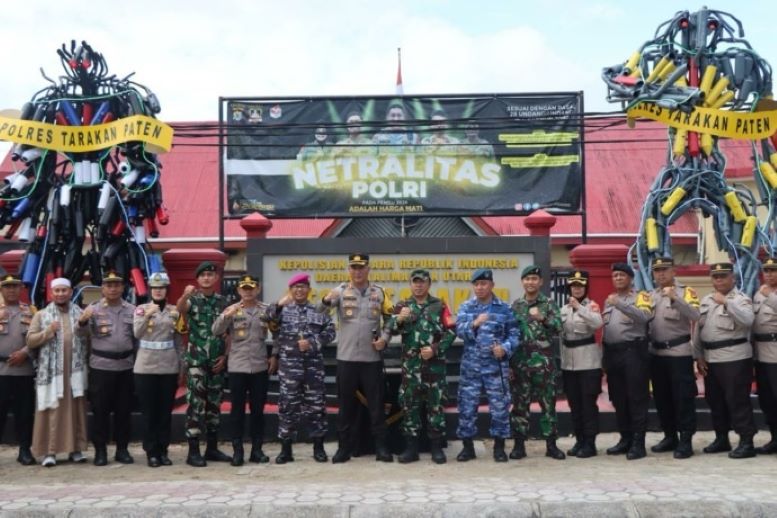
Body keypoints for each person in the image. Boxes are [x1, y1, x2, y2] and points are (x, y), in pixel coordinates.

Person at [321, 253, 394, 464]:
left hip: (372, 359)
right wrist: (327, 299)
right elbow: (319, 315)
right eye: (353, 267)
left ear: (368, 269)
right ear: (348, 270)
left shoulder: (379, 293)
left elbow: (391, 319)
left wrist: (385, 338)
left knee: (376, 405)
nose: (357, 271)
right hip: (347, 358)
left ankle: (381, 447)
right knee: (346, 406)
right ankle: (344, 448)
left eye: (361, 267)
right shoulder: (340, 292)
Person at [266, 273, 336, 464]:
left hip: (313, 369)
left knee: (317, 408)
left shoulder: (318, 311)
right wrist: (279, 304)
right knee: (288, 408)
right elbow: (268, 318)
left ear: (309, 290)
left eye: (303, 287)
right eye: (296, 287)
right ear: (291, 290)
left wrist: (313, 343)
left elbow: (330, 333)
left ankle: (319, 448)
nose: (299, 290)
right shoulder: (282, 311)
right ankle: (286, 449)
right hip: (289, 369)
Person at [389, 269, 456, 464]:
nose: (418, 285)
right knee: (410, 408)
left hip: (434, 369)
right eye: (415, 282)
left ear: (429, 284)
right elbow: (390, 329)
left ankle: (436, 448)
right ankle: (412, 449)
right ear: (410, 284)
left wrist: (435, 349)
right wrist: (400, 318)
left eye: (422, 282)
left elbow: (451, 332)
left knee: (436, 407)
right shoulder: (402, 306)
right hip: (411, 369)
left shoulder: (439, 305)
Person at [212, 274, 277, 466]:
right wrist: (226, 316)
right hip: (237, 367)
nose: (248, 291)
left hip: (259, 366)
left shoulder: (266, 311)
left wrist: (275, 354)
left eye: (251, 288)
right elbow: (215, 330)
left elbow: (278, 333)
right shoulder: (232, 309)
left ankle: (257, 450)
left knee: (258, 410)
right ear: (239, 290)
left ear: (257, 289)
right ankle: (237, 450)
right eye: (244, 288)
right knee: (236, 411)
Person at [455, 268, 519, 462]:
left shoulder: (504, 308)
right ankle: (467, 447)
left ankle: (499, 447)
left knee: (499, 408)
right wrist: (474, 323)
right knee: (467, 407)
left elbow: (514, 335)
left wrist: (505, 348)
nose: (480, 287)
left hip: (495, 368)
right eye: (476, 284)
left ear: (492, 285)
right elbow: (459, 331)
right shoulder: (466, 307)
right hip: (471, 368)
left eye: (484, 284)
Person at [694, 262, 757, 459]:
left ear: (733, 278)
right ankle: (722, 438)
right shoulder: (706, 300)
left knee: (737, 401)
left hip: (735, 357)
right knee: (715, 401)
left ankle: (746, 441)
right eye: (715, 277)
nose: (719, 280)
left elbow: (747, 320)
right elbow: (698, 329)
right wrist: (699, 355)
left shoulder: (741, 299)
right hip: (711, 359)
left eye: (723, 276)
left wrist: (726, 303)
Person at [26, 278, 88, 467]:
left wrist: (84, 324)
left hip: (74, 372)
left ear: (70, 292)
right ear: (52, 294)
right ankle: (49, 452)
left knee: (76, 410)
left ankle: (76, 449)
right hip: (52, 374)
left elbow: (88, 337)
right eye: (57, 291)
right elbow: (30, 341)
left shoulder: (80, 313)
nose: (61, 294)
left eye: (64, 290)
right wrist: (47, 332)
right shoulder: (42, 315)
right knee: (51, 411)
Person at [77, 270, 137, 466]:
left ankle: (122, 449)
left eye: (116, 285)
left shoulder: (132, 310)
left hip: (126, 366)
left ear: (122, 287)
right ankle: (100, 451)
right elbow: (80, 334)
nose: (113, 288)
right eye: (109, 285)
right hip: (101, 367)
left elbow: (137, 338)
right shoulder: (92, 310)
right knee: (100, 411)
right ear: (102, 288)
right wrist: (82, 321)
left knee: (124, 411)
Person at [176, 260, 231, 467]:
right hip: (197, 362)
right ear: (198, 279)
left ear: (216, 278)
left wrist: (225, 356)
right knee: (195, 406)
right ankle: (193, 451)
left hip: (216, 361)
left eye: (210, 275)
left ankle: (212, 448)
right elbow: (181, 308)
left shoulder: (222, 302)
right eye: (203, 275)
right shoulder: (193, 300)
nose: (207, 278)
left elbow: (228, 333)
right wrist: (185, 294)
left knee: (214, 406)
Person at [509, 265, 565, 460]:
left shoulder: (549, 304)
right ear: (522, 282)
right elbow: (510, 334)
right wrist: (509, 364)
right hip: (520, 364)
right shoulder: (516, 305)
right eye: (527, 279)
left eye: (534, 279)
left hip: (544, 364)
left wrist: (543, 319)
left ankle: (551, 445)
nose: (530, 282)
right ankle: (518, 445)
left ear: (540, 282)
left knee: (548, 405)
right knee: (519, 405)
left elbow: (559, 328)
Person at [648, 257, 701, 459]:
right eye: (657, 270)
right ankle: (670, 436)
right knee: (662, 398)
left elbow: (696, 315)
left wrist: (675, 299)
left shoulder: (686, 292)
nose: (660, 274)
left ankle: (686, 439)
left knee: (683, 398)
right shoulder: (650, 295)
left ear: (674, 271)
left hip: (679, 354)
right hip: (656, 354)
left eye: (664, 270)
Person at [602, 262, 653, 460]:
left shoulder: (641, 297)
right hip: (613, 354)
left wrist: (620, 304)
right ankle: (625, 439)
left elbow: (645, 317)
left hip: (634, 353)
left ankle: (638, 443)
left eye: (622, 275)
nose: (618, 278)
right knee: (619, 398)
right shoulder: (609, 301)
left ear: (631, 278)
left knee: (636, 398)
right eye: (615, 276)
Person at [133, 272, 184, 467]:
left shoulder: (174, 312)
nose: (158, 291)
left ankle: (163, 450)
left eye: (162, 288)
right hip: (145, 368)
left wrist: (182, 367)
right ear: (150, 290)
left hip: (168, 367)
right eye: (155, 288)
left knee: (164, 413)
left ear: (167, 290)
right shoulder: (141, 309)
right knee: (149, 413)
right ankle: (151, 452)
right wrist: (148, 315)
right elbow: (137, 333)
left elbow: (179, 342)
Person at [560, 270, 603, 458]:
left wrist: (580, 308)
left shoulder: (591, 306)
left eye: (580, 286)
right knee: (574, 404)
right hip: (569, 363)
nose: (577, 289)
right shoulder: (564, 309)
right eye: (574, 286)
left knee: (588, 405)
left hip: (588, 363)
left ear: (586, 288)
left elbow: (597, 324)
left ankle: (590, 443)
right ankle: (579, 440)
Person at [0, 273, 37, 465]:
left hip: (24, 370)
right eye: (7, 287)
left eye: (15, 286)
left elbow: (37, 338)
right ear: (2, 289)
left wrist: (25, 352)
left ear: (21, 288)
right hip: (1, 371)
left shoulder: (31, 311)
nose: (11, 290)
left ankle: (24, 450)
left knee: (24, 413)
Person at [754, 256, 777, 454]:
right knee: (767, 399)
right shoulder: (758, 293)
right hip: (760, 353)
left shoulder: (767, 293)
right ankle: (774, 438)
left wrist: (770, 295)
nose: (769, 274)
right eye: (766, 271)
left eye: (773, 271)